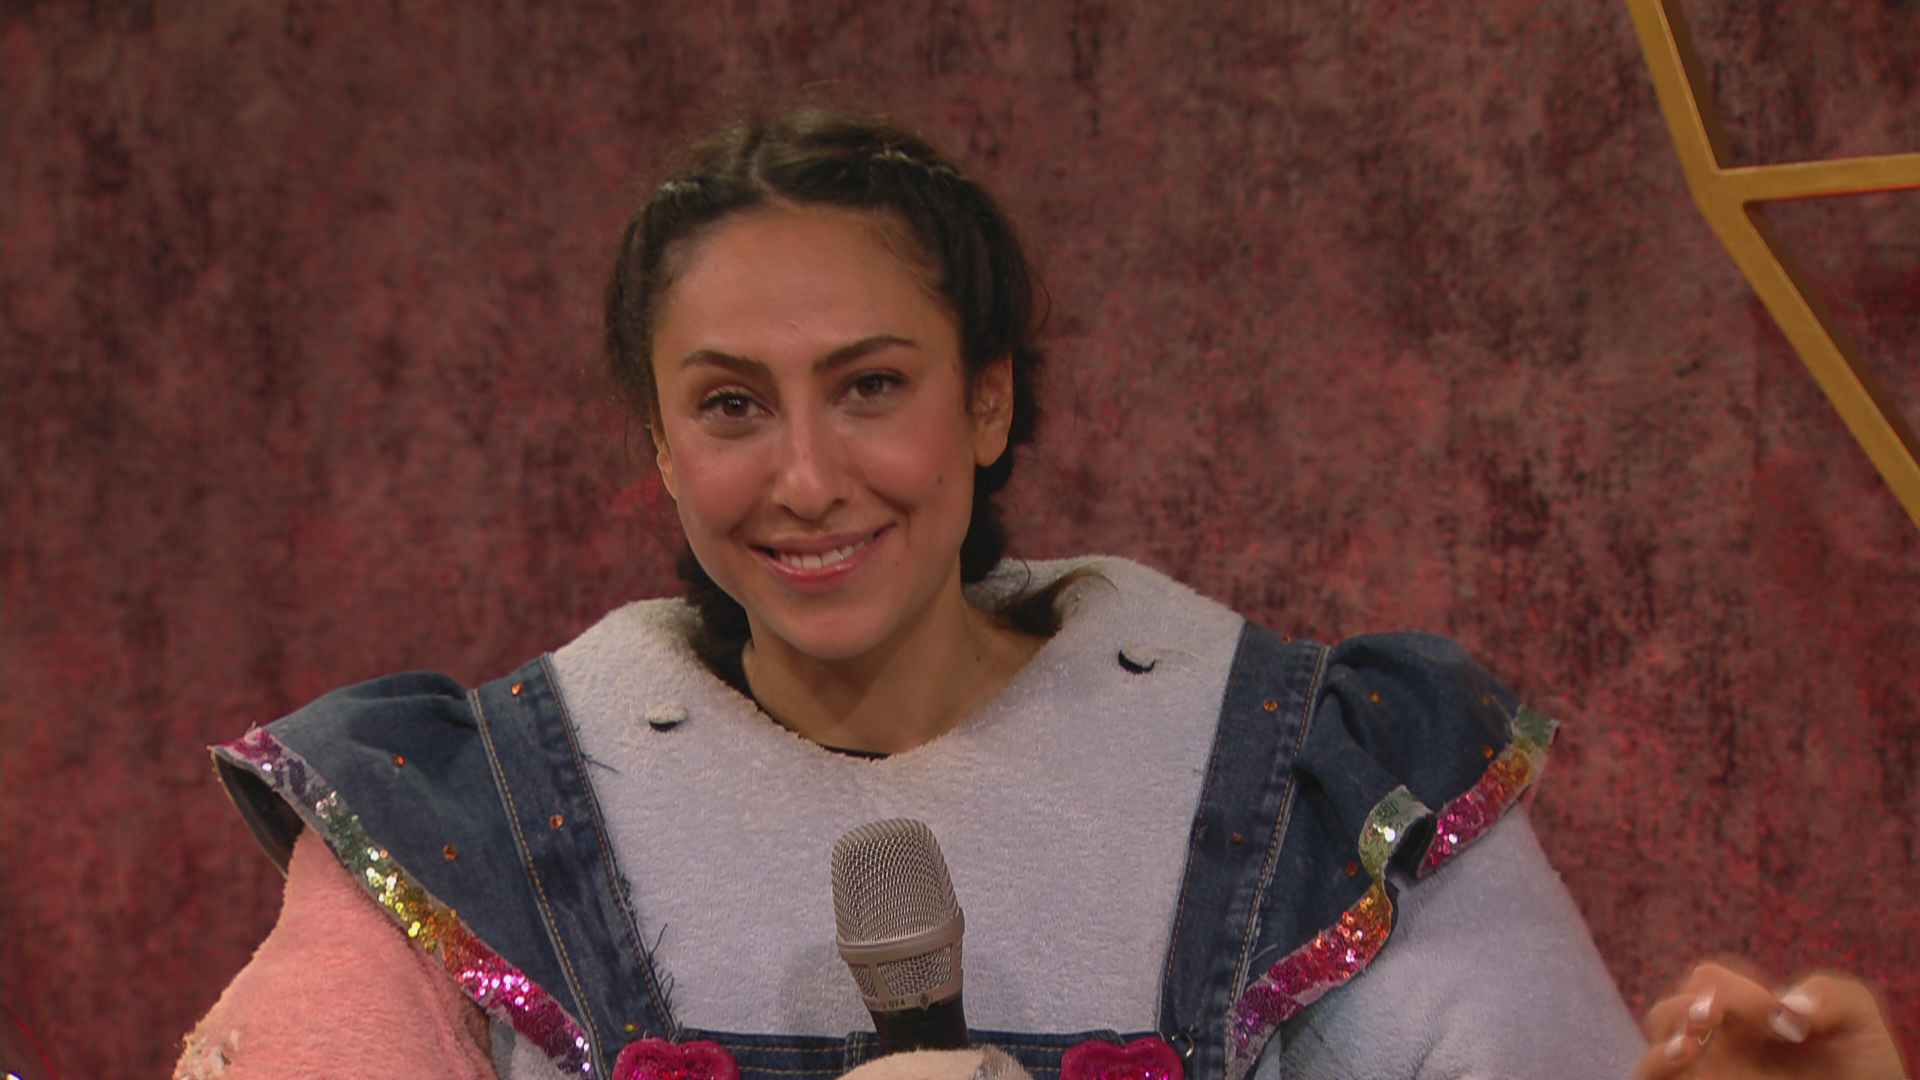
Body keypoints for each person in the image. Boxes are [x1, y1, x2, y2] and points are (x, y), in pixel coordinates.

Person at [176, 107, 1905, 1080]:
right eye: (731, 406)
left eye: (871, 387)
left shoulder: (1331, 781)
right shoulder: (460, 818)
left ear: (988, 400)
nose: (804, 477)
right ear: (658, 442)